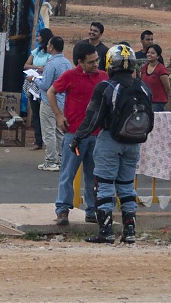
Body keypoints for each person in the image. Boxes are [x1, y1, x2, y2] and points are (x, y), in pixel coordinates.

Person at [70, 44, 153, 244]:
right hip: (134, 143)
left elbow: (93, 118)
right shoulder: (143, 87)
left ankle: (106, 231)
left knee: (105, 185)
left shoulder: (106, 87)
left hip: (110, 140)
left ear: (110, 64)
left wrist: (78, 138)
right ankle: (130, 231)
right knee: (126, 186)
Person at [47, 41, 108, 225]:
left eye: (97, 60)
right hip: (75, 136)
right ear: (79, 62)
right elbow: (51, 92)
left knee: (93, 175)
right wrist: (58, 115)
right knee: (68, 173)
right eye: (91, 62)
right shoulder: (70, 76)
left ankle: (92, 210)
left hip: (97, 135)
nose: (95, 65)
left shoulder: (104, 77)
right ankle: (63, 210)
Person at [34, 36, 72, 170]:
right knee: (60, 132)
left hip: (49, 101)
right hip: (63, 102)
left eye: (49, 44)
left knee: (49, 132)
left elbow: (45, 85)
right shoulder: (67, 63)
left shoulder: (51, 63)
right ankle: (62, 159)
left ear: (52, 47)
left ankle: (50, 161)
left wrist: (34, 79)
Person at [24, 28, 53, 151]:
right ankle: (38, 141)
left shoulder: (50, 54)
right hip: (33, 85)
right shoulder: (37, 51)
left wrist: (43, 69)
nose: (38, 38)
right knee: (36, 114)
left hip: (45, 85)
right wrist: (37, 67)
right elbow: (26, 65)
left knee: (45, 115)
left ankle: (49, 142)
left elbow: (51, 67)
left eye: (39, 36)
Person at [142, 43, 171, 112]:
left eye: (152, 53)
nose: (149, 54)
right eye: (148, 52)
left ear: (158, 56)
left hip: (158, 103)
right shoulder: (144, 68)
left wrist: (165, 101)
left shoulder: (161, 69)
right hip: (146, 102)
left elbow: (167, 88)